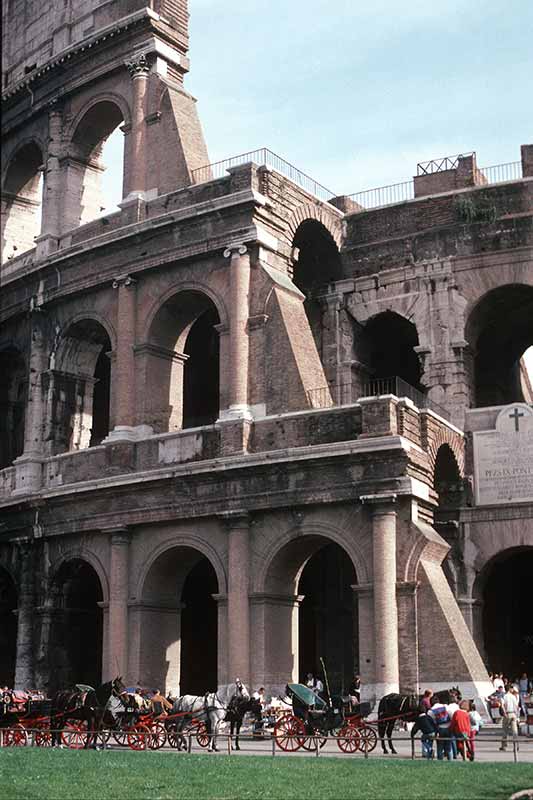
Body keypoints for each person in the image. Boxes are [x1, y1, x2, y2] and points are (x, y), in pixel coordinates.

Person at [499, 685, 520, 751]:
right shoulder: (513, 696)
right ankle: (516, 746)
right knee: (515, 731)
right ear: (510, 689)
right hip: (513, 714)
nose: (513, 690)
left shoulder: (504, 696)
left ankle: (504, 746)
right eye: (512, 689)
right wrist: (517, 715)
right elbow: (516, 706)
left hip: (507, 714)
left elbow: (502, 705)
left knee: (505, 730)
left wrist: (504, 713)